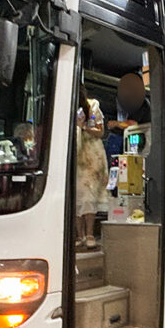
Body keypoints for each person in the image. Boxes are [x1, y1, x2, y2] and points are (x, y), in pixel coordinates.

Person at [75, 86, 108, 249]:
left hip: (91, 155)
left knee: (89, 194)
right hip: (75, 153)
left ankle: (89, 234)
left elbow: (100, 132)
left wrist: (84, 127)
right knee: (76, 195)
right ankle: (79, 235)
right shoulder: (65, 106)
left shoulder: (93, 106)